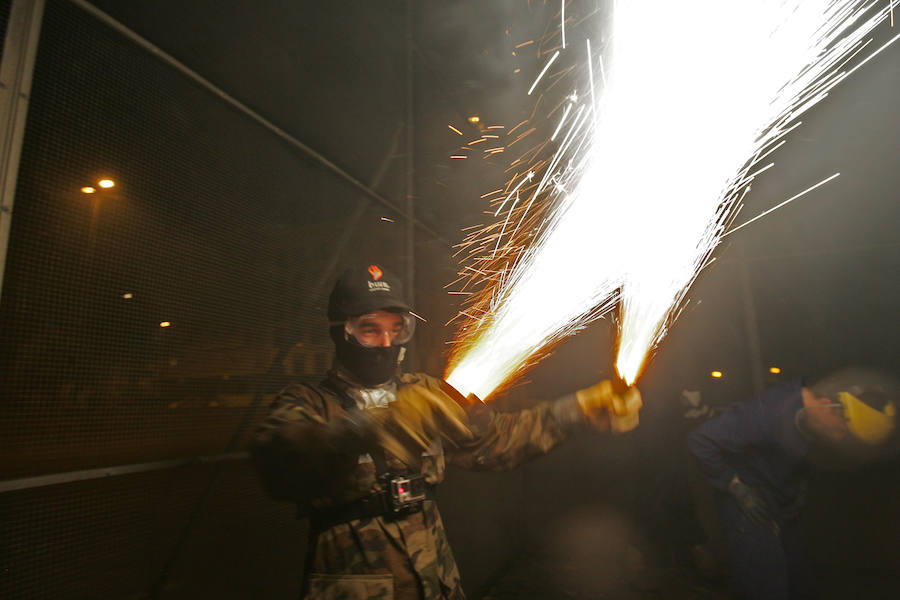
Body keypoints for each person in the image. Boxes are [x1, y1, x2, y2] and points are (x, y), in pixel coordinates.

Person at [251, 263, 643, 599]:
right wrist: (366, 428)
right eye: (369, 329)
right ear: (342, 333)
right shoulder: (308, 402)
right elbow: (281, 461)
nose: (386, 342)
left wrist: (576, 410)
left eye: (397, 329)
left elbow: (497, 441)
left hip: (436, 584)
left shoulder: (425, 394)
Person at [687, 369, 897, 600]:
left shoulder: (819, 412)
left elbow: (808, 456)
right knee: (766, 581)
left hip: (782, 495)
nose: (839, 438)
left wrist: (798, 491)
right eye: (841, 431)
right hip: (748, 496)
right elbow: (701, 440)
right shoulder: (767, 413)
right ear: (830, 405)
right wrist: (735, 485)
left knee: (800, 578)